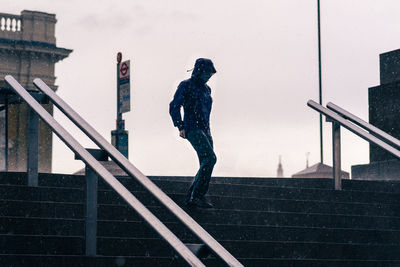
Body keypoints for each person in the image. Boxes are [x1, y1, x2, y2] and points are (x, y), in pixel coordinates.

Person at [169, 58, 217, 208]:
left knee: (207, 161)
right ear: (198, 72)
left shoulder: (207, 89)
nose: (208, 77)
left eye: (210, 74)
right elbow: (174, 106)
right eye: (206, 73)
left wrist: (207, 130)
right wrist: (180, 126)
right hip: (191, 127)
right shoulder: (186, 85)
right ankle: (197, 195)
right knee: (210, 158)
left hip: (205, 129)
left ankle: (193, 196)